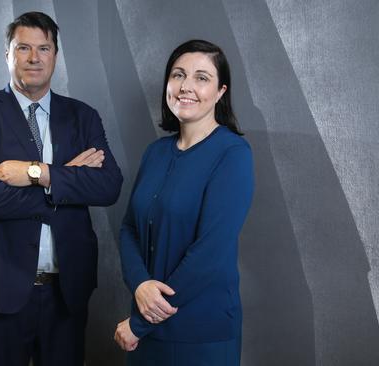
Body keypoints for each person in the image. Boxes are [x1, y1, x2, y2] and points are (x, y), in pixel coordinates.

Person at [0, 11, 123, 366]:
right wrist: (66, 182)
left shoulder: (82, 116)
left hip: (66, 291)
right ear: (8, 54)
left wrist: (39, 172)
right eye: (23, 48)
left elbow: (108, 186)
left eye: (44, 48)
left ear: (55, 55)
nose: (34, 58)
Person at [114, 40, 254, 365]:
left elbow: (211, 252)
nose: (186, 86)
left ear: (220, 92)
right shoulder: (155, 152)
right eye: (178, 75)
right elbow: (129, 229)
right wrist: (140, 285)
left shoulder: (232, 154)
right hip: (147, 329)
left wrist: (139, 323)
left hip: (199, 334)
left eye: (201, 78)